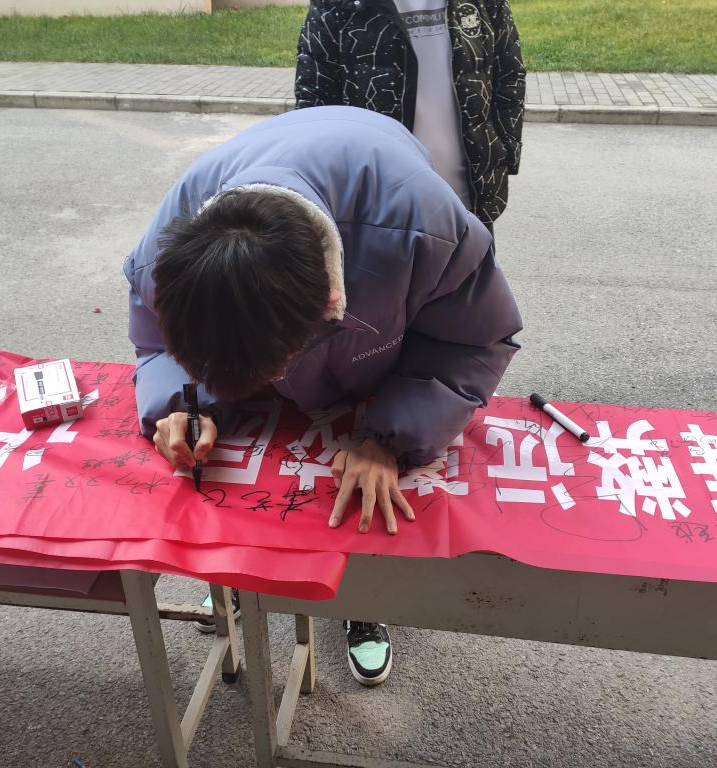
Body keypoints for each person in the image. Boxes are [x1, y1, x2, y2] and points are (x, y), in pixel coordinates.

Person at [123, 106, 522, 686]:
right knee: (254, 478)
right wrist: (184, 404)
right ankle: (248, 583)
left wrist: (391, 440)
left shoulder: (421, 226)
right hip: (292, 274)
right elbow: (156, 341)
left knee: (363, 496)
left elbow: (475, 338)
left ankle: (361, 602)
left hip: (379, 304)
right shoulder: (166, 250)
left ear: (331, 302)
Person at [295, 0, 526, 227]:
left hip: (470, 203)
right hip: (376, 211)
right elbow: (315, 102)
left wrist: (505, 150)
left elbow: (509, 74)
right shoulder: (334, 5)